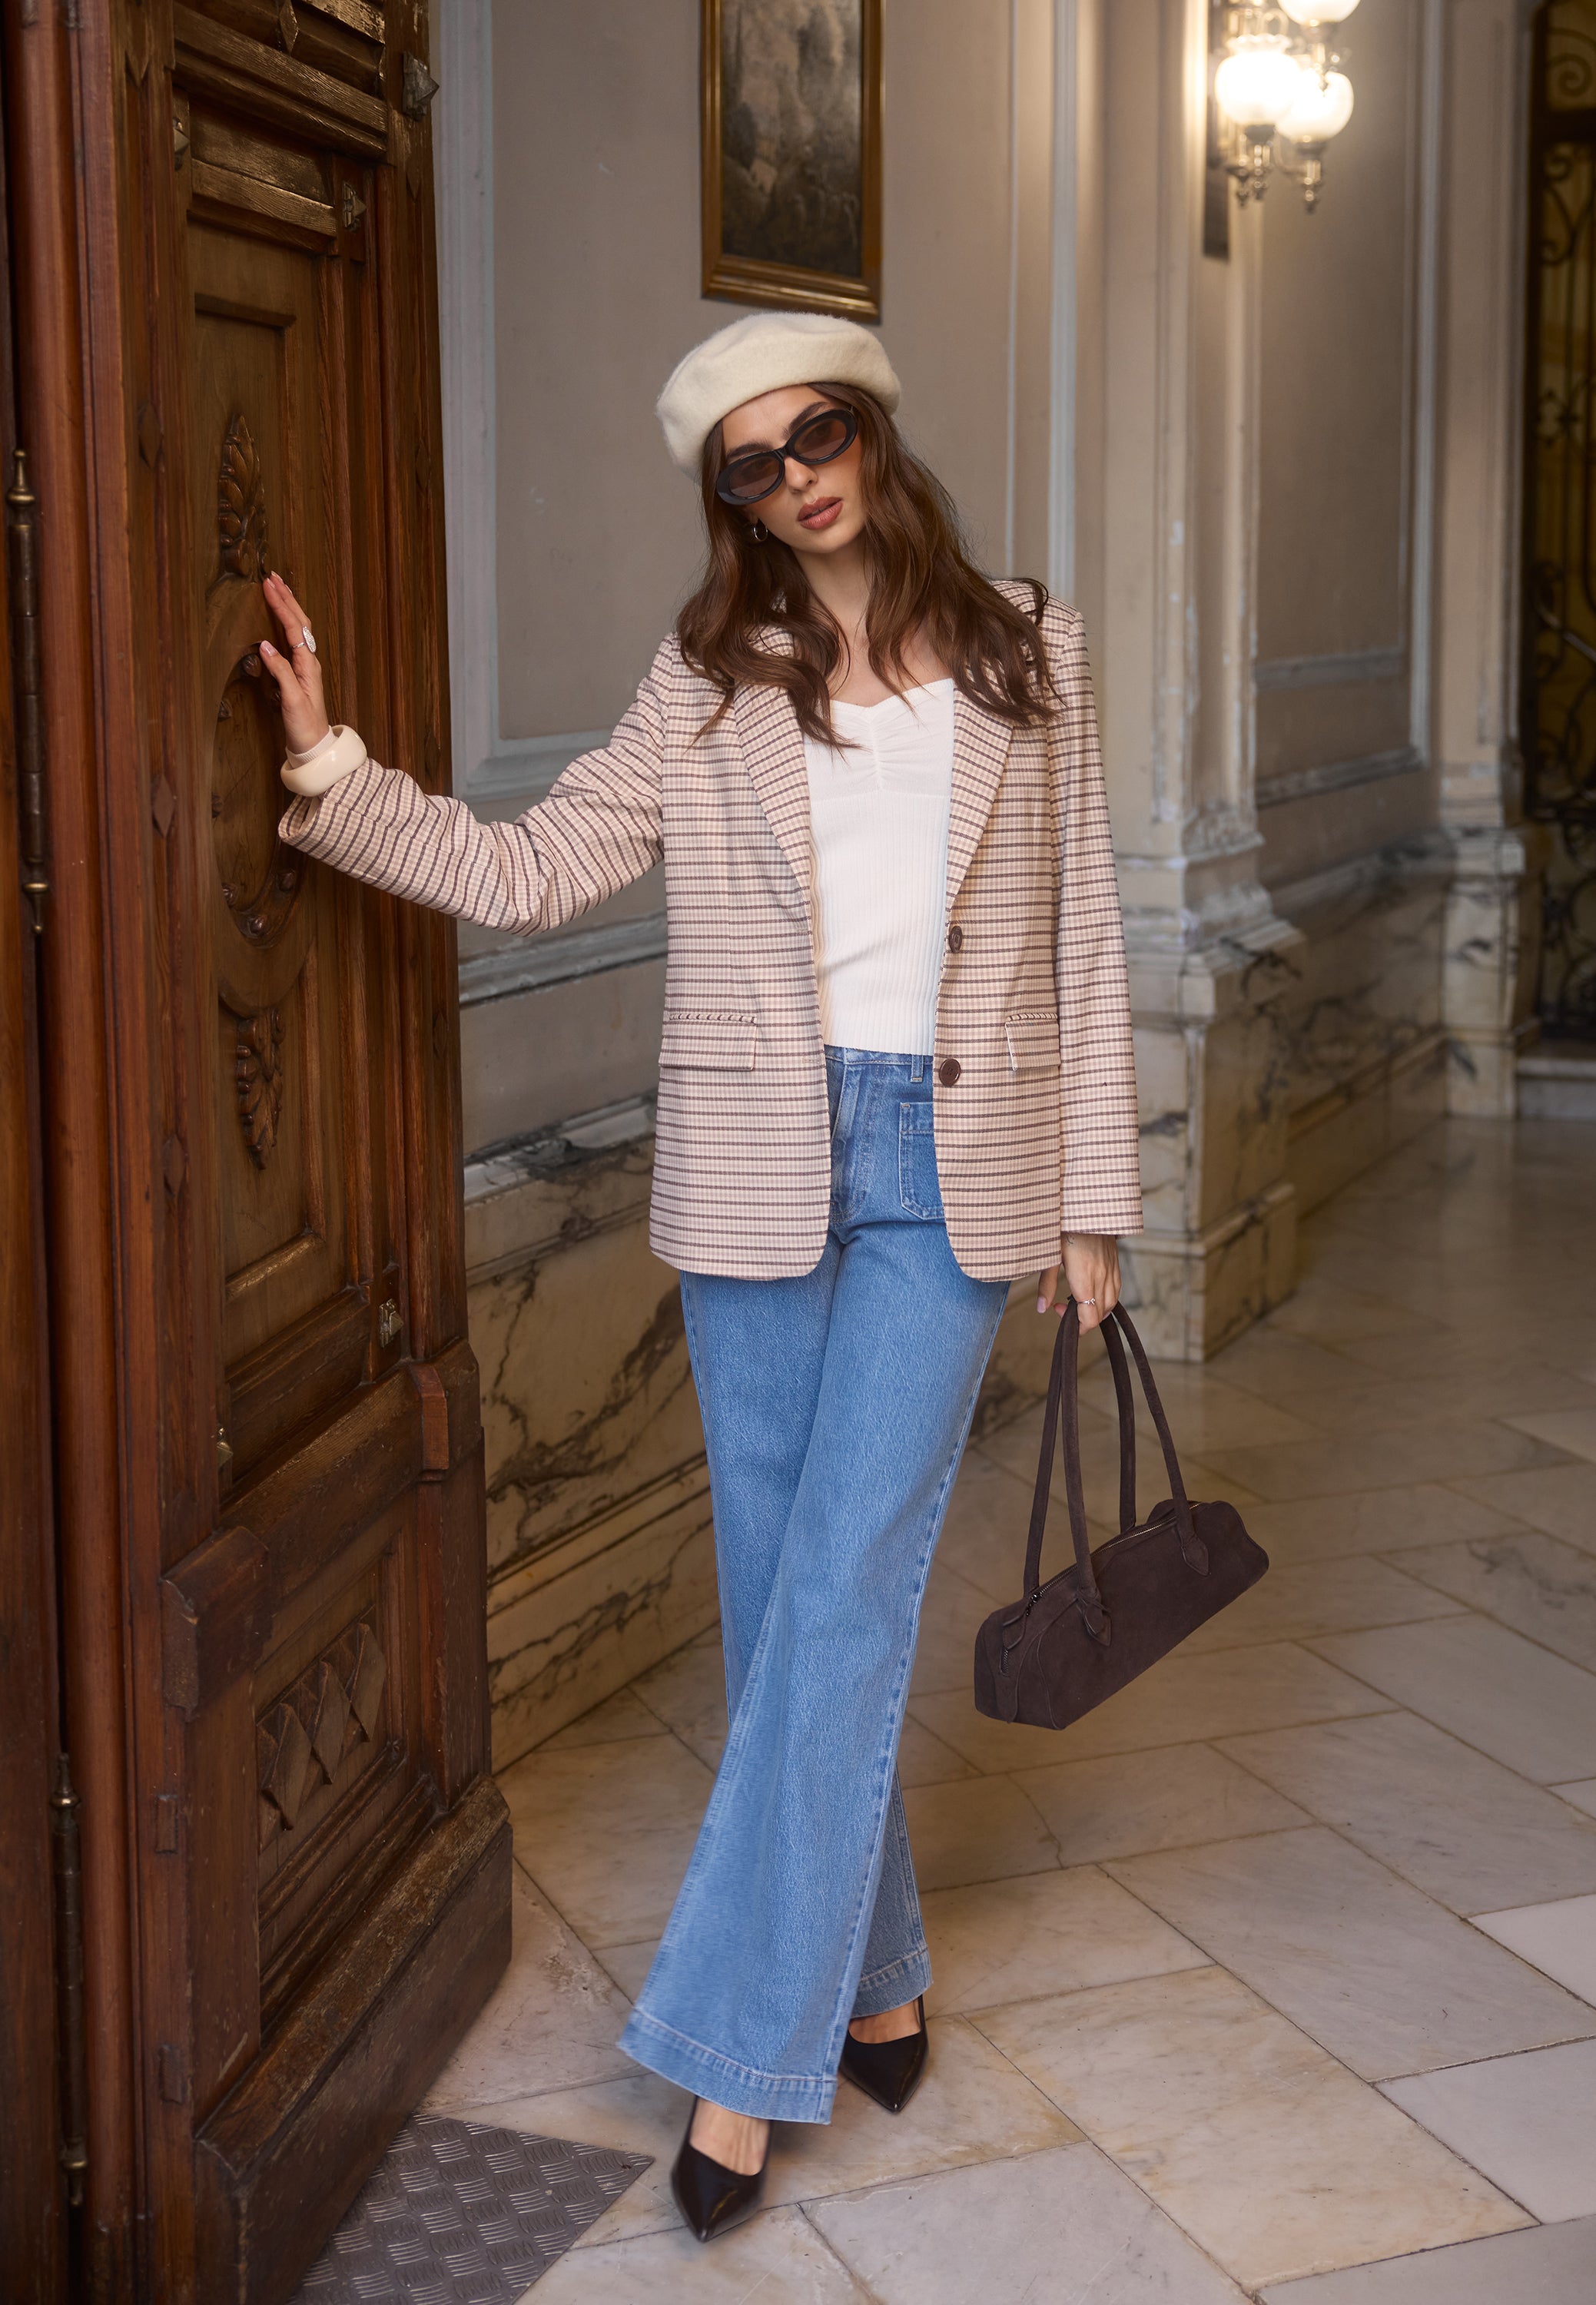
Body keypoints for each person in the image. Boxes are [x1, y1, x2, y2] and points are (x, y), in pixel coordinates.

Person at [260, 309, 1141, 2244]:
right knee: (782, 1601)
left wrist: (1094, 1195)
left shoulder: (1028, 642)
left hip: (953, 1166)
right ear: (727, 500)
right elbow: (535, 868)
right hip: (763, 1166)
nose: (795, 478)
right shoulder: (708, 677)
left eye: (814, 432)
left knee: (843, 1585)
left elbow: (1080, 929)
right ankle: (878, 1983)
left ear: (871, 425)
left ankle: (739, 2057)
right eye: (750, 465)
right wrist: (331, 766)